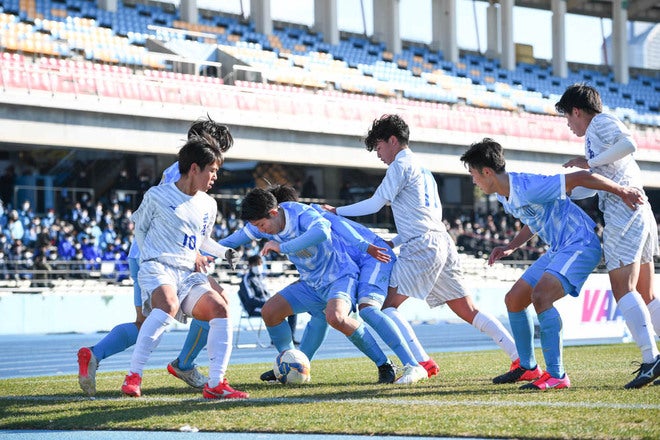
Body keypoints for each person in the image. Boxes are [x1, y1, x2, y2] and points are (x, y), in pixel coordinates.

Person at [324, 115, 519, 381]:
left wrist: (336, 211)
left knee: (382, 308)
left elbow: (375, 203)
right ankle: (520, 358)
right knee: (468, 310)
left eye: (379, 147)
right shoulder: (424, 169)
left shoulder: (399, 165)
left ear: (393, 141)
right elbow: (427, 218)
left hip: (423, 246)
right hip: (441, 242)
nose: (379, 155)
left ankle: (421, 362)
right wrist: (396, 241)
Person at [459, 137, 646, 390]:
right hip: (559, 249)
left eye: (473, 174)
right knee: (514, 300)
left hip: (580, 244)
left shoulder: (529, 186)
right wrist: (511, 246)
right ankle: (527, 368)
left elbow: (580, 177)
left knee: (541, 296)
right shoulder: (506, 195)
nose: (474, 181)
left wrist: (622, 191)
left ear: (487, 172)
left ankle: (557, 375)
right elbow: (533, 220)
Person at [77, 116, 236, 396]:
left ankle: (96, 354)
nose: (218, 161)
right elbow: (174, 220)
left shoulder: (181, 170)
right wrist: (196, 251)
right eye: (216, 149)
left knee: (149, 322)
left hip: (153, 255)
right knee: (198, 305)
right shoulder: (181, 175)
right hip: (157, 257)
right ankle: (182, 364)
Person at [120, 135, 247, 399]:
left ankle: (215, 384)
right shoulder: (156, 195)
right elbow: (139, 230)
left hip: (187, 272)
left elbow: (202, 241)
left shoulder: (208, 204)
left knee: (220, 308)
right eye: (212, 171)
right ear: (193, 168)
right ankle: (133, 376)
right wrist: (150, 259)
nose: (215, 177)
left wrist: (225, 252)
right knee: (167, 305)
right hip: (158, 266)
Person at [259, 185, 426, 384]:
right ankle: (295, 365)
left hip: (371, 257)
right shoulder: (283, 228)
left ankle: (411, 364)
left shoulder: (309, 215)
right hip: (338, 271)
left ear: (279, 209)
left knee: (367, 310)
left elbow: (340, 227)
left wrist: (367, 245)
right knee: (321, 316)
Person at [555, 84, 660, 389]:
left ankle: (650, 359)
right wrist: (570, 187)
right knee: (645, 293)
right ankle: (652, 358)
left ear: (577, 111)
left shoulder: (599, 123)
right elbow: (597, 181)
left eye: (568, 117)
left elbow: (629, 144)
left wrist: (588, 164)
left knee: (622, 288)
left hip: (623, 213)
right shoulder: (594, 138)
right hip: (638, 209)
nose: (568, 124)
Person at [238, 254, 298, 343]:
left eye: (260, 264)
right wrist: (268, 303)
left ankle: (289, 339)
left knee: (291, 310)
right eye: (256, 265)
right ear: (250, 266)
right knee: (278, 312)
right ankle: (278, 339)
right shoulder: (247, 279)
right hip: (254, 308)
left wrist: (274, 301)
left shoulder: (260, 277)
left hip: (267, 305)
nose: (258, 267)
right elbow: (250, 299)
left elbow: (267, 295)